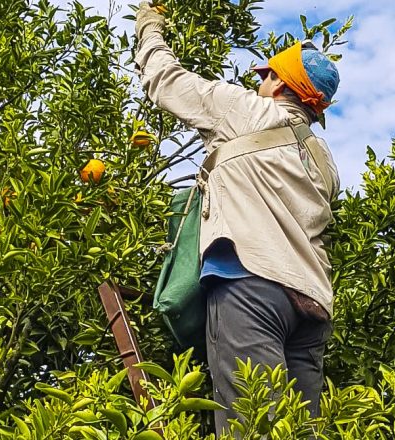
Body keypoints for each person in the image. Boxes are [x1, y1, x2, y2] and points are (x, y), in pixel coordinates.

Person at [135, 2, 342, 436]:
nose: (259, 81)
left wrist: (149, 22)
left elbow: (166, 80)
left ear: (282, 83)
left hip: (251, 287)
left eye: (266, 74)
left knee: (249, 421)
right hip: (311, 306)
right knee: (300, 430)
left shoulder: (246, 111)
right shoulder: (325, 162)